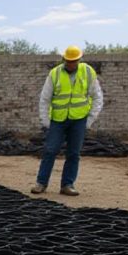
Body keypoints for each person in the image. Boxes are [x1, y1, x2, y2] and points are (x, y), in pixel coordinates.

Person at [31, 45, 103, 197]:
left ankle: (67, 184)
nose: (71, 64)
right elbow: (45, 99)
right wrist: (45, 121)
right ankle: (41, 183)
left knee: (73, 153)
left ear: (79, 60)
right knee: (50, 150)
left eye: (74, 61)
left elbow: (97, 97)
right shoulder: (55, 73)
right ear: (63, 59)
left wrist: (89, 120)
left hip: (79, 120)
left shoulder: (88, 72)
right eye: (69, 61)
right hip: (58, 120)